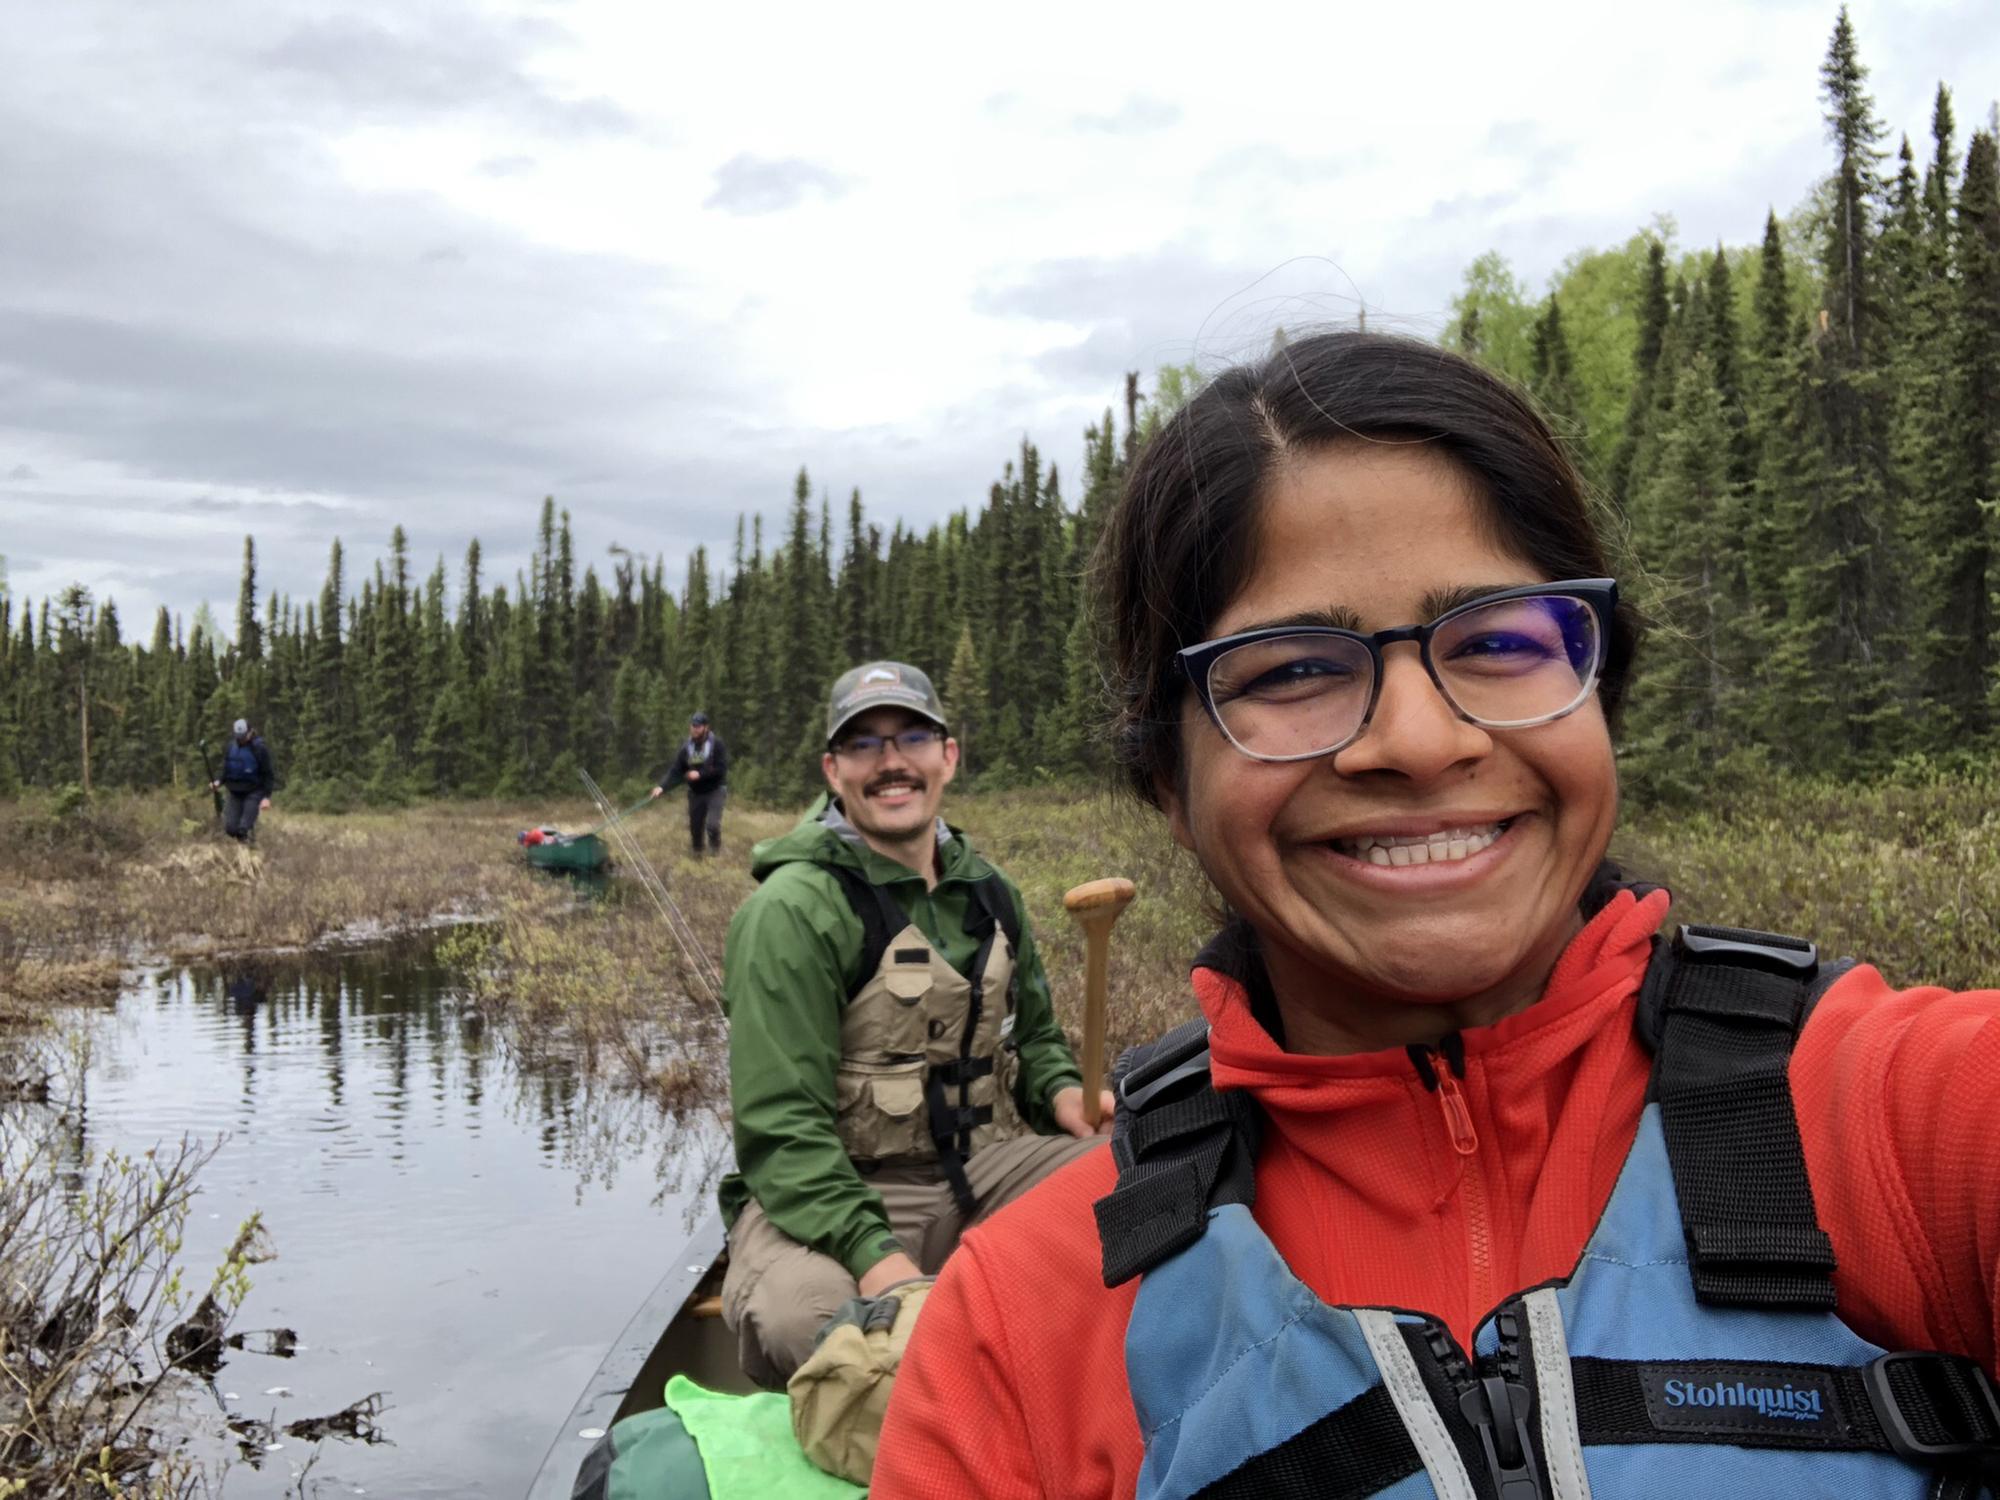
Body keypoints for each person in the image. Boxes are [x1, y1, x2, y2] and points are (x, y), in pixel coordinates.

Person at [874, 332, 2000, 1497]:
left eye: (1501, 640)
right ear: (1167, 781)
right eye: (1291, 669)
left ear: (1596, 695)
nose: (1417, 741)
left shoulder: (1902, 1120)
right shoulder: (1014, 1331)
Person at [717, 659, 1114, 1392]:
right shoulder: (792, 913)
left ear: (948, 757)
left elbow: (1037, 1042)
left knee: (1142, 1182)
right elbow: (781, 1134)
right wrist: (882, 1263)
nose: (891, 762)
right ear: (834, 771)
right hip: (831, 1199)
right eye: (864, 745)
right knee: (803, 1320)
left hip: (976, 1176)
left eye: (911, 738)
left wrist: (1061, 1095)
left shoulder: (991, 892)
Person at [651, 711, 729, 857]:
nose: (695, 729)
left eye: (698, 726)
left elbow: (721, 769)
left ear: (706, 727)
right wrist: (661, 787)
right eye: (693, 726)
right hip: (696, 793)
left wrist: (700, 774)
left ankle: (715, 852)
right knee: (695, 829)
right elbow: (675, 770)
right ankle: (697, 855)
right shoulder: (686, 748)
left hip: (715, 790)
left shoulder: (717, 745)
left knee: (712, 825)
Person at [211, 717, 274, 844]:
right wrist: (219, 781)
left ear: (250, 732)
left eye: (244, 736)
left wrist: (266, 797)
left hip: (254, 791)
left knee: (243, 829)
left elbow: (268, 774)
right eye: (238, 737)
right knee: (231, 829)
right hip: (235, 792)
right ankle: (245, 839)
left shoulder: (259, 749)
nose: (241, 739)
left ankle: (249, 848)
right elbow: (226, 769)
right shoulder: (231, 747)